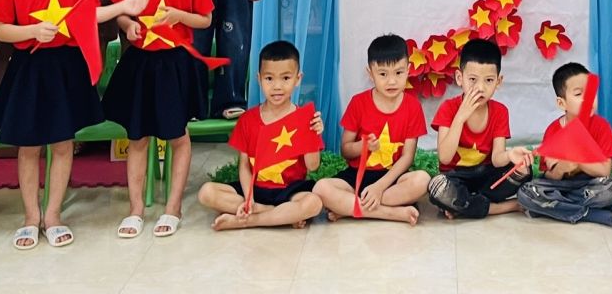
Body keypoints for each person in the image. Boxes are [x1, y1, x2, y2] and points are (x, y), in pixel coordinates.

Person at [0, 0, 149, 250]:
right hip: (29, 71)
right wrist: (31, 31)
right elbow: (0, 31)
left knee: (62, 144)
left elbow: (89, 15)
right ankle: (31, 217)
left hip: (66, 69)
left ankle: (53, 214)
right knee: (29, 147)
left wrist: (122, 5)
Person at [101, 0, 213, 240]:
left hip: (175, 65)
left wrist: (179, 16)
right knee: (137, 137)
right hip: (141, 63)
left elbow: (205, 19)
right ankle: (135, 208)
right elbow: (120, 11)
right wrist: (128, 26)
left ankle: (173, 206)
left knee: (178, 135)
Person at [197, 39, 325, 230]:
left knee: (314, 203)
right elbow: (244, 166)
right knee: (207, 192)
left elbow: (312, 166)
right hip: (255, 189)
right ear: (259, 79)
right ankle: (274, 214)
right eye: (269, 78)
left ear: (298, 79)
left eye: (286, 78)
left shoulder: (304, 119)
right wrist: (249, 198)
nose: (277, 86)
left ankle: (249, 220)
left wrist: (312, 136)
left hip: (290, 191)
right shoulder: (248, 119)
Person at [312, 34, 431, 224]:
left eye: (398, 73)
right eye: (383, 74)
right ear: (370, 73)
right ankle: (391, 213)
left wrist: (380, 187)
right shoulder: (358, 102)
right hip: (357, 176)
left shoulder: (412, 106)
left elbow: (407, 157)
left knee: (422, 180)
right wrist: (363, 146)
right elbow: (346, 150)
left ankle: (351, 208)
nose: (391, 81)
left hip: (392, 178)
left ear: (408, 70)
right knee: (321, 189)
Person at [428, 38, 530, 219]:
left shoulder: (500, 111)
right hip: (456, 177)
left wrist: (510, 155)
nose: (480, 88)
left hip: (486, 176)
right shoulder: (448, 108)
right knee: (438, 187)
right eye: (473, 80)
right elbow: (444, 157)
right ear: (460, 78)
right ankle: (502, 207)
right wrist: (460, 116)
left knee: (524, 172)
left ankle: (462, 205)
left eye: (489, 80)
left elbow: (497, 159)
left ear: (498, 81)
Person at [516, 62, 612, 227]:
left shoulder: (601, 126)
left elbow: (605, 170)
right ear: (562, 103)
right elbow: (550, 176)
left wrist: (578, 163)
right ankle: (587, 213)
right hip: (559, 186)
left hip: (589, 185)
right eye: (579, 94)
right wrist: (560, 169)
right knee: (526, 193)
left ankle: (555, 208)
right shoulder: (553, 130)